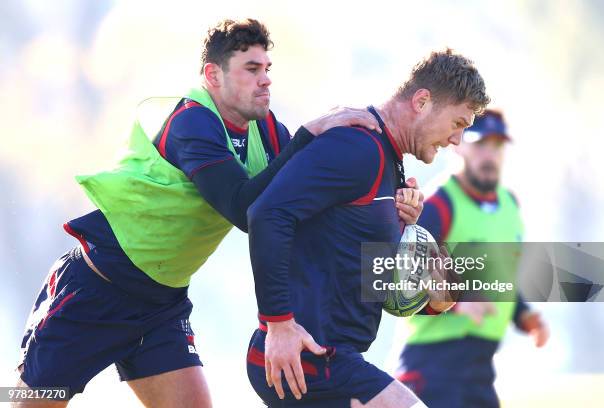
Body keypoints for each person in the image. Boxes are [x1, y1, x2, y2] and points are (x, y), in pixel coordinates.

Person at [14, 19, 388, 408]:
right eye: (251, 69)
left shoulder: (266, 129)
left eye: (267, 69)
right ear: (213, 74)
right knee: (27, 402)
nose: (265, 80)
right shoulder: (191, 121)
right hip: (98, 288)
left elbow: (308, 202)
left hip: (161, 305)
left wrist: (391, 207)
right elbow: (244, 209)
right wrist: (308, 137)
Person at [246, 48, 490, 407]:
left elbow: (365, 277)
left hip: (330, 358)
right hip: (304, 357)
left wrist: (434, 291)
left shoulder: (389, 165)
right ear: (422, 101)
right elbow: (266, 214)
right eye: (458, 124)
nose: (457, 140)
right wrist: (278, 323)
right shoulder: (356, 147)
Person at [395, 109, 550, 408]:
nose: (489, 155)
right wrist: (457, 303)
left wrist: (524, 316)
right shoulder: (439, 204)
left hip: (480, 367)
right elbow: (401, 280)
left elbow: (502, 276)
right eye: (480, 145)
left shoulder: (509, 206)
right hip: (433, 365)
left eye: (497, 146)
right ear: (459, 145)